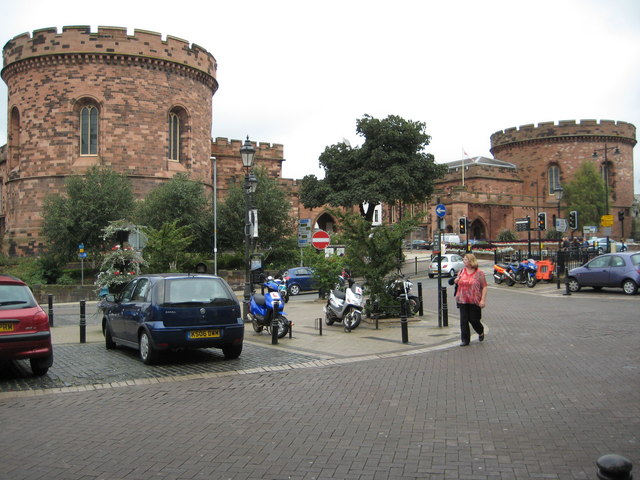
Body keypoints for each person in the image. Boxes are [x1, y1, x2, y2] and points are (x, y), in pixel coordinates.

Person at [453, 253, 487, 346]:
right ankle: (465, 340)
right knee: (463, 320)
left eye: (465, 259)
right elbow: (458, 279)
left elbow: (484, 286)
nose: (464, 261)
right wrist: (456, 280)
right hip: (462, 299)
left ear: (471, 261)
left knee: (474, 319)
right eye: (463, 259)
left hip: (474, 300)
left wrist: (482, 300)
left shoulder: (479, 273)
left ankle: (480, 331)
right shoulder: (461, 271)